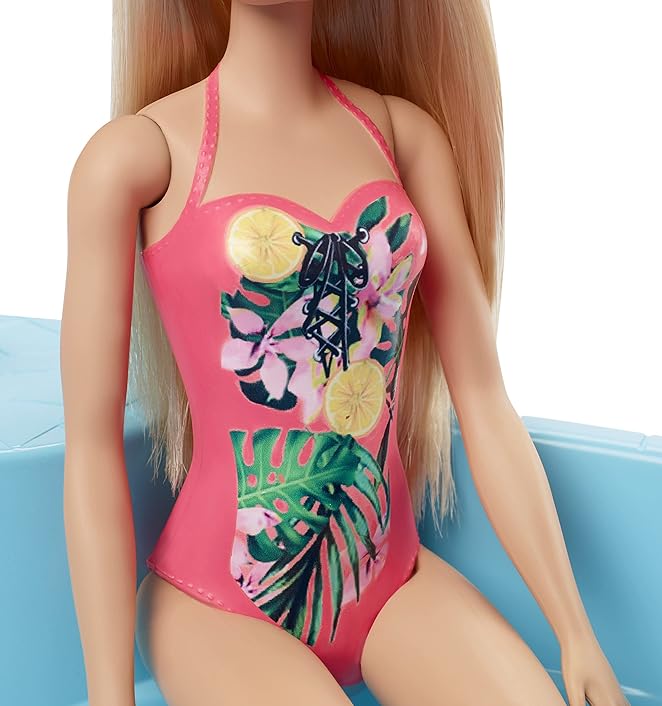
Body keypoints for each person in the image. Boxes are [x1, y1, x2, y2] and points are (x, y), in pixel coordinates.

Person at [61, 2, 629, 704]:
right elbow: (90, 448)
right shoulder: (138, 156)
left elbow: (483, 399)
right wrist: (108, 695)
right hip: (216, 604)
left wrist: (575, 632)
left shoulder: (402, 137)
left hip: (392, 582)